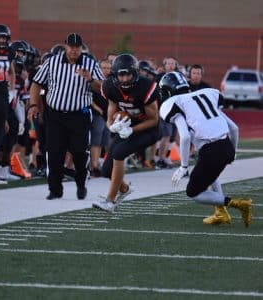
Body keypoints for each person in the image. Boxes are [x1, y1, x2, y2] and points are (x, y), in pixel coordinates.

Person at [159, 71, 252, 227]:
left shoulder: (175, 102)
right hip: (226, 146)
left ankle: (239, 204)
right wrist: (233, 152)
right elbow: (234, 128)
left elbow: (185, 137)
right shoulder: (206, 94)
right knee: (210, 174)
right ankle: (221, 213)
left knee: (193, 192)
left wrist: (183, 166)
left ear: (168, 90)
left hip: (211, 150)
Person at [28, 33, 104, 200]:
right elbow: (36, 83)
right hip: (55, 115)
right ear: (65, 47)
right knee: (54, 152)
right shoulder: (52, 62)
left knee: (80, 152)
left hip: (79, 115)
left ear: (81, 48)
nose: (74, 50)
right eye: (71, 47)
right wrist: (33, 105)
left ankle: (81, 183)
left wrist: (90, 79)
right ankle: (55, 189)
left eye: (77, 47)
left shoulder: (90, 64)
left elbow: (102, 89)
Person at [92, 53, 160, 212]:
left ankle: (110, 201)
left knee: (119, 153)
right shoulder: (110, 86)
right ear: (115, 75)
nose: (124, 79)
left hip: (147, 129)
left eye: (128, 74)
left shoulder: (145, 86)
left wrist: (132, 130)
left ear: (135, 73)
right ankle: (124, 189)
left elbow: (154, 119)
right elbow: (110, 115)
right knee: (106, 170)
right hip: (125, 126)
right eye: (121, 75)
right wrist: (112, 126)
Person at [0, 24, 16, 184]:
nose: (1, 40)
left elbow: (11, 72)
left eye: (4, 37)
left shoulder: (10, 53)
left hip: (2, 95)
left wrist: (12, 92)